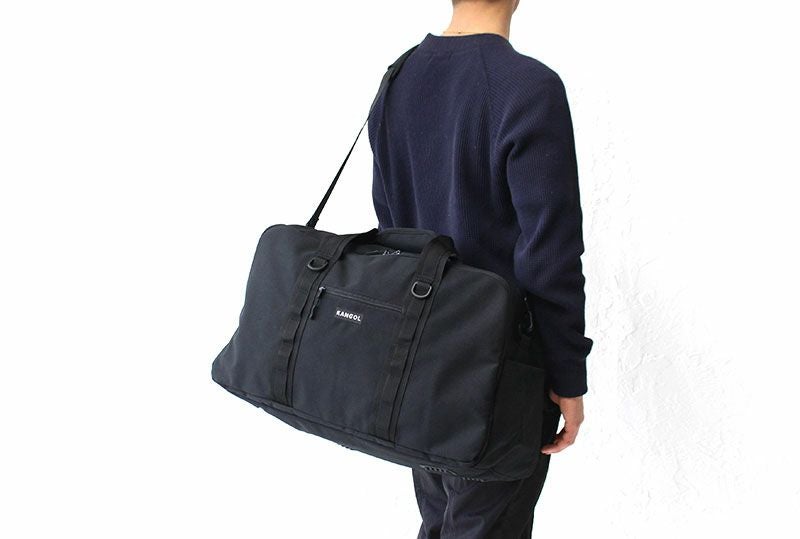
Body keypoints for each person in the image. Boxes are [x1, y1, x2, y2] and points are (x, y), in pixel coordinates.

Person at [367, 0, 594, 536]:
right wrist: (568, 375)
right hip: (502, 372)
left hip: (421, 360)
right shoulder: (528, 86)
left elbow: (391, 228)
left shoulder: (398, 77)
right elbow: (551, 254)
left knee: (441, 521)